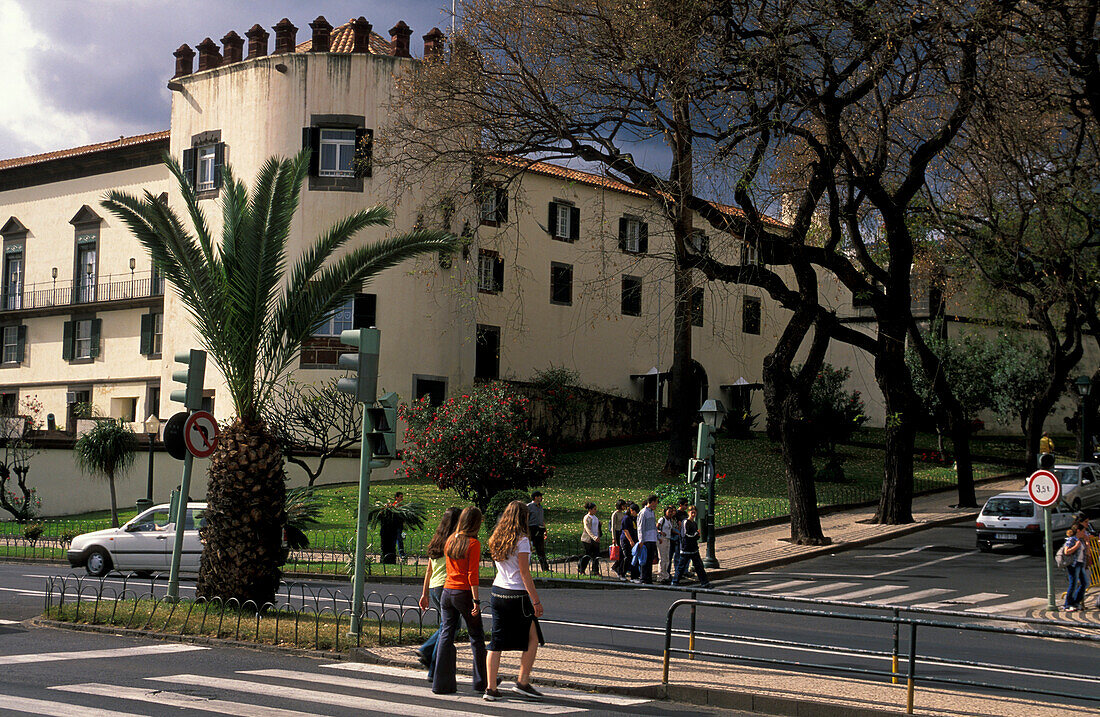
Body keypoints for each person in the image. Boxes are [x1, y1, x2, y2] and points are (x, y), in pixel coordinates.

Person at [483, 501, 546, 701]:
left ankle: (490, 688)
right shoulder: (522, 540)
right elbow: (524, 573)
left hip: (497, 590)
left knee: (496, 641)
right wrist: (536, 601)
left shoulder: (497, 537)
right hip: (517, 594)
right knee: (533, 638)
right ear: (523, 518)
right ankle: (522, 681)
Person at [432, 506, 488, 695]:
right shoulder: (473, 543)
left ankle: (441, 682)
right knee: (477, 636)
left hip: (447, 591)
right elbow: (473, 574)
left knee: (446, 634)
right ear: (475, 523)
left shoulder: (450, 540)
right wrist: (476, 600)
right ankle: (481, 681)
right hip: (463, 592)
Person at [417, 507, 461, 678]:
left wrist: (425, 593)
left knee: (446, 625)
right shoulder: (453, 541)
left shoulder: (437, 540)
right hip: (447, 586)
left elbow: (428, 570)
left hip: (435, 587)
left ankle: (429, 657)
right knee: (450, 627)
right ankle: (429, 655)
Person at [672, 505, 711, 589]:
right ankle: (675, 582)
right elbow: (685, 535)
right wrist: (695, 535)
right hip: (686, 548)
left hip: (694, 548)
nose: (693, 514)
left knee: (699, 566)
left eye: (695, 512)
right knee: (681, 566)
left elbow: (694, 536)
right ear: (689, 513)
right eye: (692, 512)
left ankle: (705, 582)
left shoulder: (694, 523)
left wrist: (697, 535)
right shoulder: (686, 522)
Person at [636, 495, 659, 584]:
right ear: (652, 502)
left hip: (652, 539)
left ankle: (648, 578)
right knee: (644, 560)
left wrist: (658, 536)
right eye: (656, 502)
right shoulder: (643, 512)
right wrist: (641, 540)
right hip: (646, 539)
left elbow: (653, 526)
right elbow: (640, 527)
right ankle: (643, 578)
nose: (657, 504)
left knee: (650, 560)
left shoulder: (652, 513)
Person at [527, 491, 550, 572]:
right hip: (531, 529)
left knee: (541, 549)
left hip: (540, 528)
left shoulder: (540, 507)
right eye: (540, 496)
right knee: (528, 549)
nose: (541, 498)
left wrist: (545, 529)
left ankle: (545, 568)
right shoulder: (529, 506)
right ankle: (526, 567)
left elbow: (542, 519)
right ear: (535, 497)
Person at [578, 502, 601, 576]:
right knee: (587, 555)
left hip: (595, 539)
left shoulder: (595, 517)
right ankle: (581, 569)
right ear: (590, 509)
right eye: (594, 509)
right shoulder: (587, 517)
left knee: (596, 556)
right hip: (588, 539)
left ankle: (595, 571)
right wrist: (593, 537)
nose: (595, 510)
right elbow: (587, 529)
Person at [619, 503, 640, 581]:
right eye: (635, 511)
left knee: (634, 557)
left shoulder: (634, 518)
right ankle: (622, 573)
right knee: (627, 557)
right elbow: (625, 530)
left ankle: (634, 576)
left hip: (634, 539)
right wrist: (630, 540)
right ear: (631, 510)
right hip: (626, 540)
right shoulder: (626, 518)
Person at [657, 505, 676, 583]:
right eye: (669, 512)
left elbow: (671, 530)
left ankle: (665, 575)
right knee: (662, 558)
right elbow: (657, 528)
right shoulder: (662, 519)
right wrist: (660, 533)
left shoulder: (670, 520)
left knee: (667, 558)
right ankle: (660, 576)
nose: (670, 513)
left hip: (668, 539)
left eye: (672, 512)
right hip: (662, 539)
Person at [610, 500, 626, 577]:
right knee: (620, 552)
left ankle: (617, 566)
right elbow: (613, 526)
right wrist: (614, 537)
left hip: (622, 532)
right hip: (617, 532)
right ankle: (616, 567)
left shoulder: (623, 513)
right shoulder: (615, 514)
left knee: (622, 552)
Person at [392, 492, 407, 560]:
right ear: (396, 498)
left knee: (399, 539)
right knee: (399, 539)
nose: (402, 498)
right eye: (401, 497)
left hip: (399, 525)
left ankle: (401, 554)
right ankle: (401, 554)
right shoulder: (394, 506)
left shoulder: (401, 505)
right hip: (395, 525)